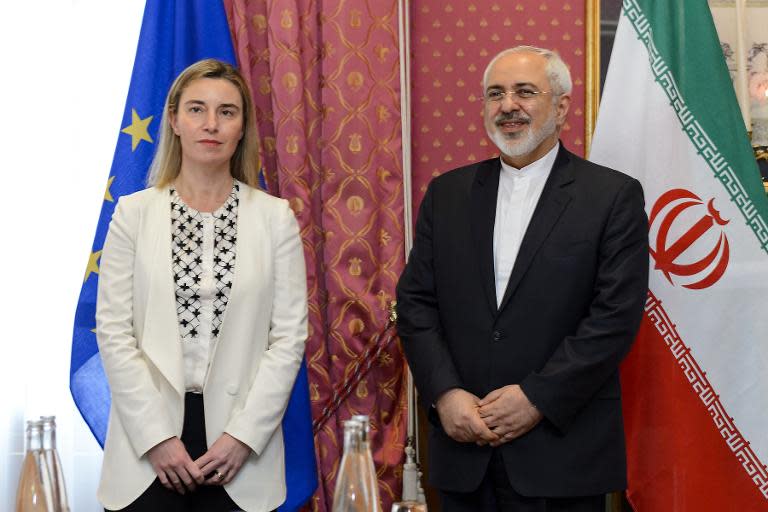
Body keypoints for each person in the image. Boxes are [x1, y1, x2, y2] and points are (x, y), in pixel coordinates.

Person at [396, 46, 649, 511]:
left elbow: (614, 318)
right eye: (495, 94)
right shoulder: (446, 193)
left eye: (524, 92)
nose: (508, 105)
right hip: (463, 451)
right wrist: (446, 394)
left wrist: (537, 396)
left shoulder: (612, 196)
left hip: (563, 454)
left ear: (562, 106)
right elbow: (415, 304)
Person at [95, 59, 308, 512]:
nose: (211, 124)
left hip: (240, 456)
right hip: (145, 452)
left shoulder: (275, 218)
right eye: (196, 109)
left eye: (227, 112)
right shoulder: (133, 214)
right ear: (174, 120)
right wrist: (157, 439)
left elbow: (288, 340)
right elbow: (113, 333)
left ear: (242, 126)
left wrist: (243, 438)